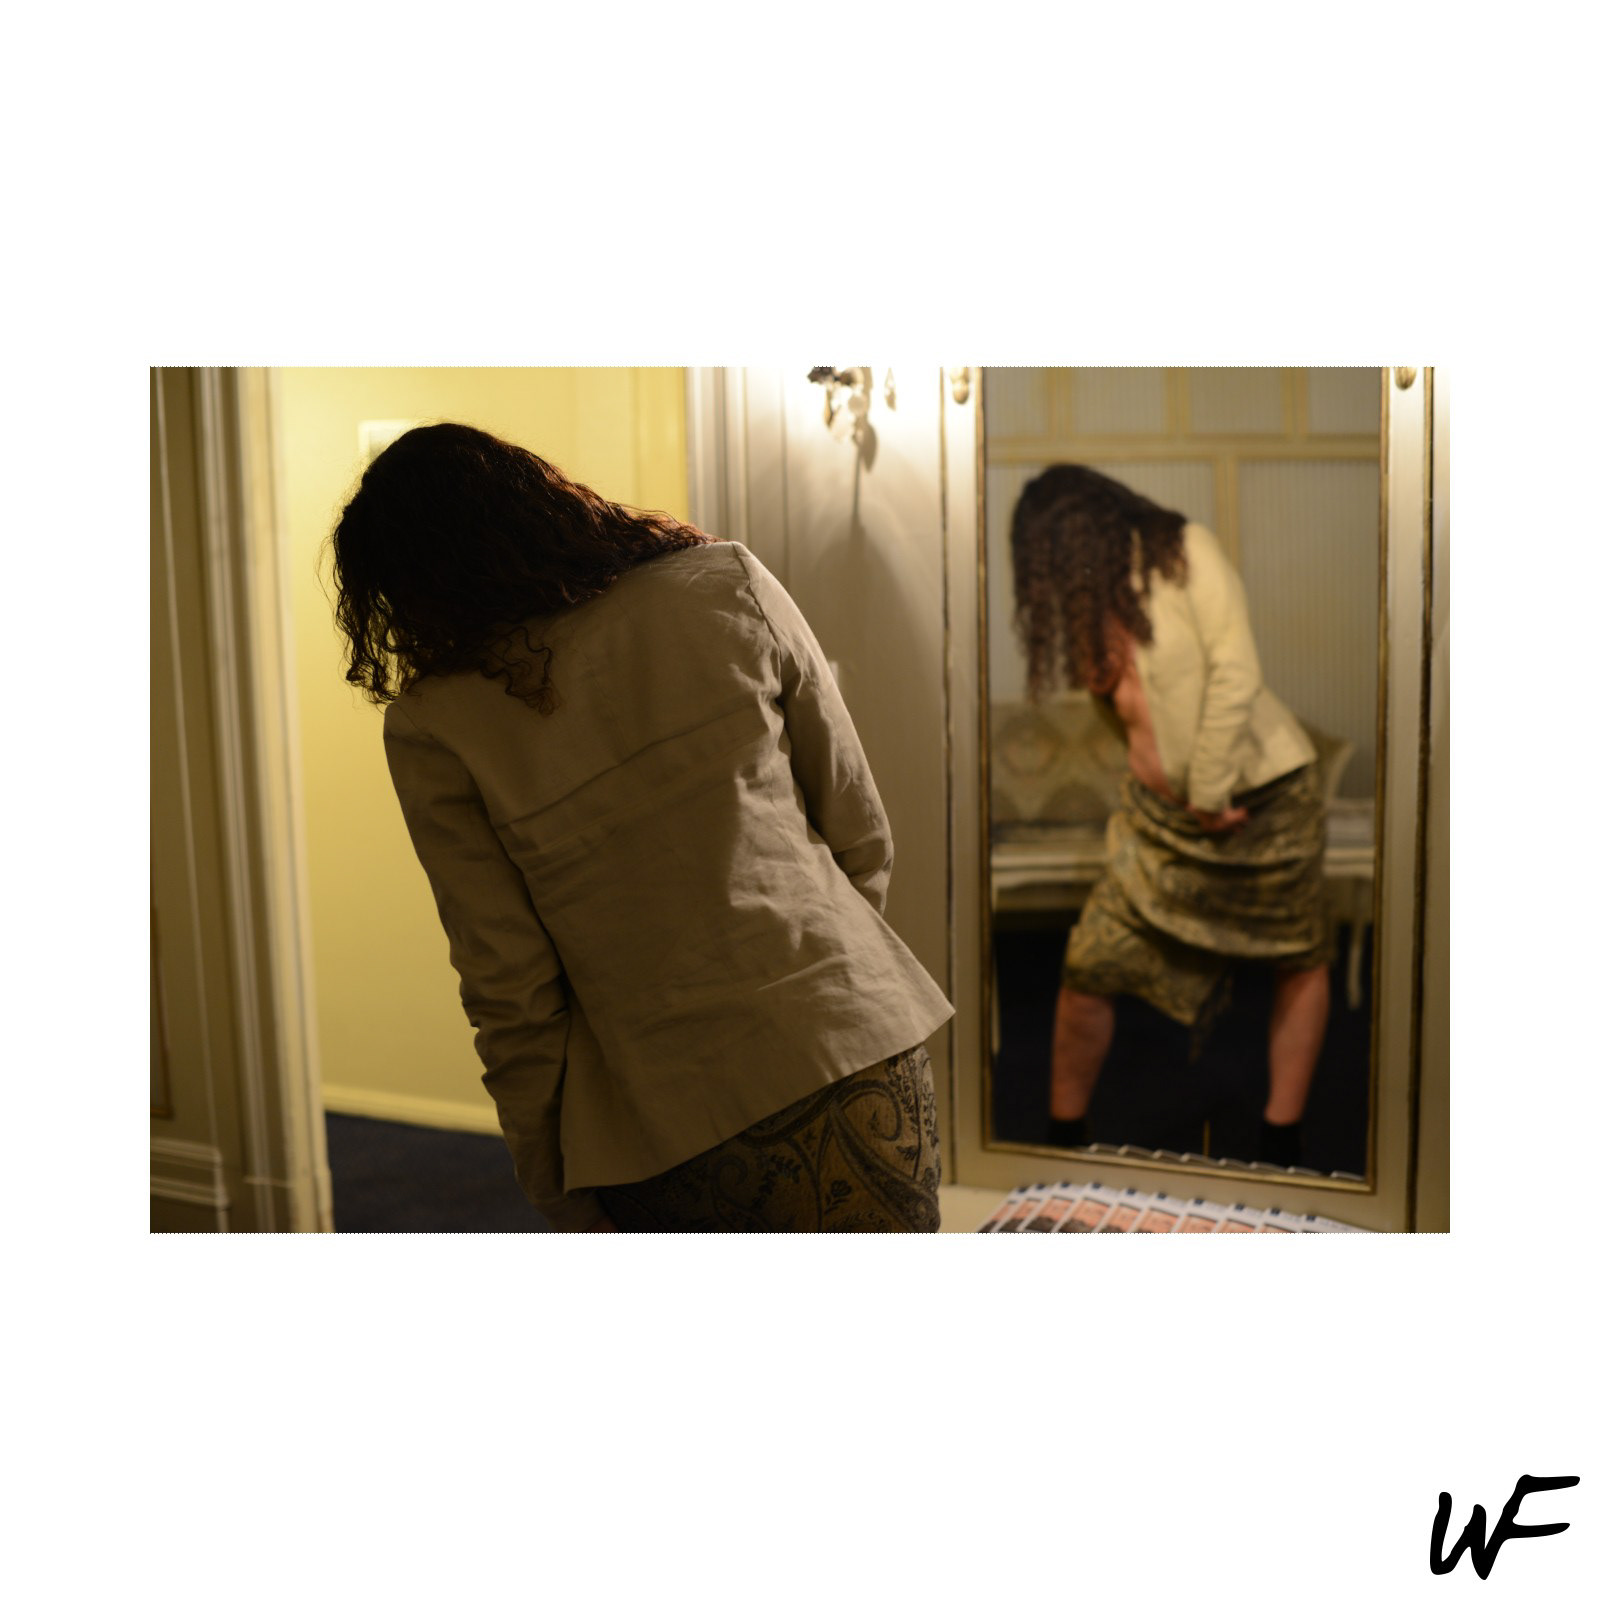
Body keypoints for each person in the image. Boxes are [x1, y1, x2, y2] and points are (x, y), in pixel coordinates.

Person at [329, 422, 953, 1231]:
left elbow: (510, 992)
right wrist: (818, 993)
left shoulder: (435, 724)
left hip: (659, 1120)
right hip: (852, 1053)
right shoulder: (726, 582)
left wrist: (549, 1176)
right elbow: (859, 832)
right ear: (540, 500)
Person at [1009, 464, 1333, 1169]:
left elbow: (1235, 673)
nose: (1049, 574)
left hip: (1260, 804)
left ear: (1081, 531)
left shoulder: (1187, 552)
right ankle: (1063, 1138)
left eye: (1051, 553)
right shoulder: (1093, 602)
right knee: (1090, 961)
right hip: (1160, 823)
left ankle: (1283, 1137)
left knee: (1297, 955)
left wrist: (1209, 793)